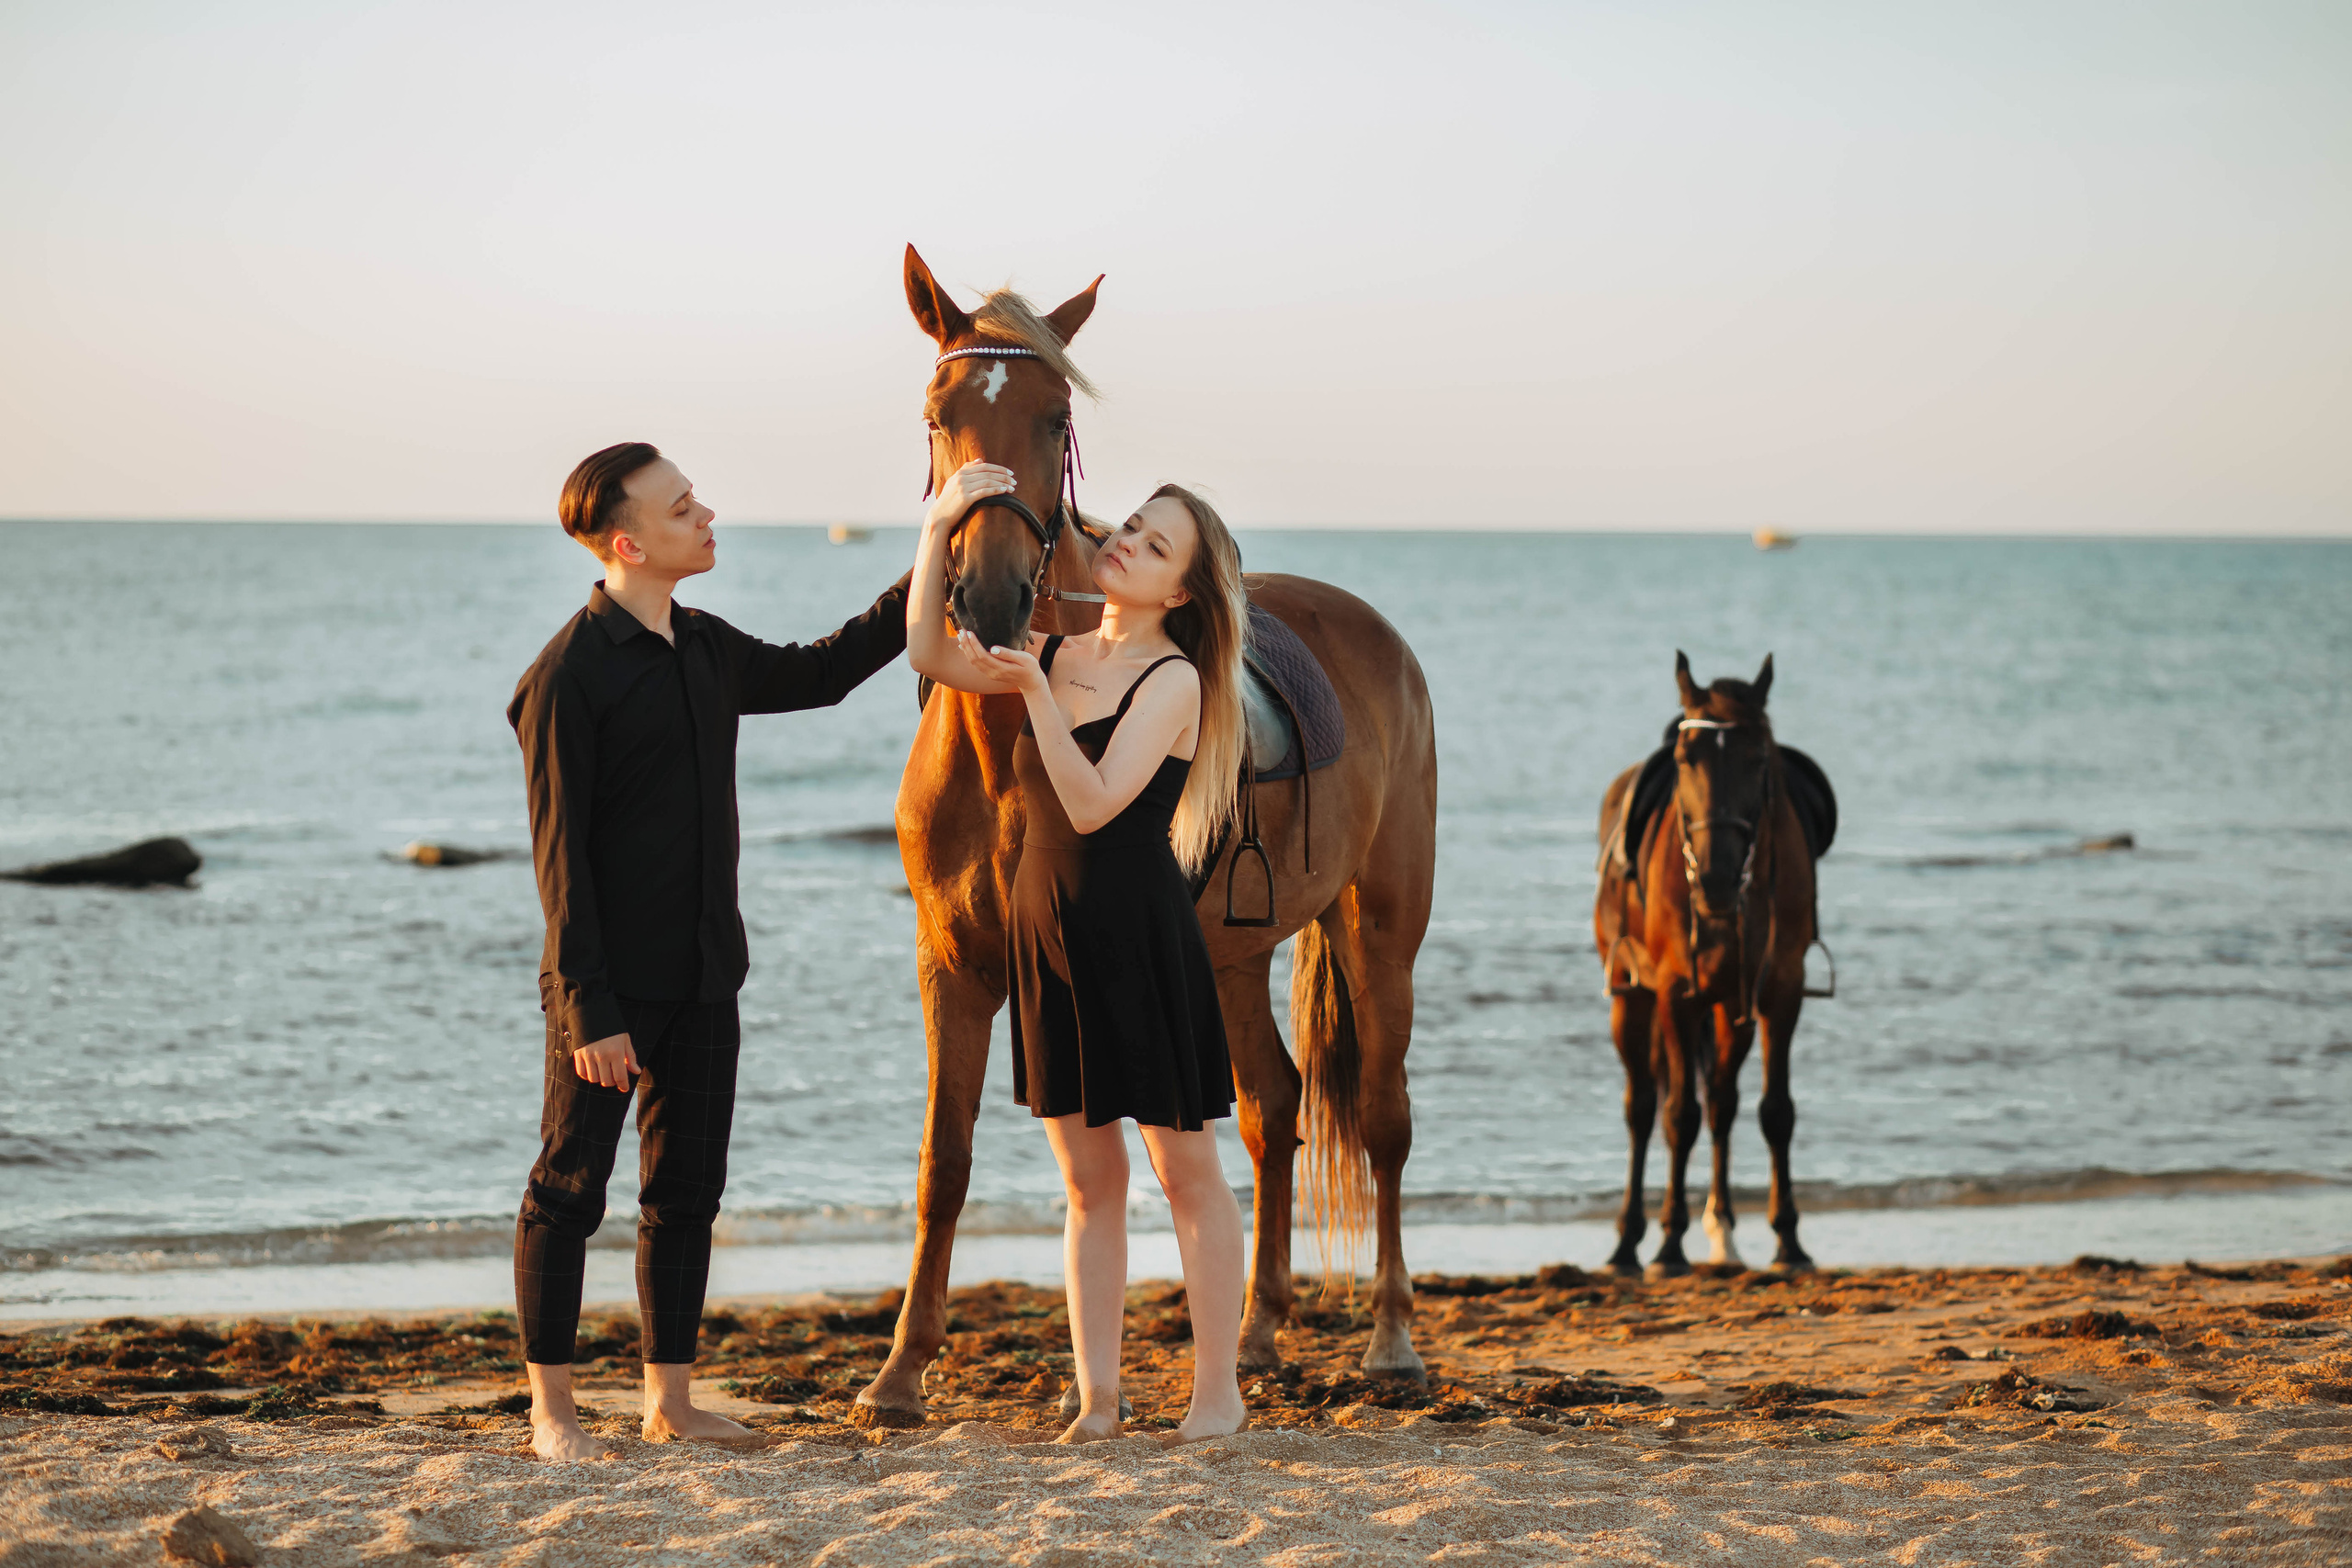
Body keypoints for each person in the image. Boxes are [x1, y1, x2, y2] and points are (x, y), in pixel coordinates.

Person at [509, 441, 909, 1462]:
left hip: (705, 975)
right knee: (568, 1189)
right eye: (684, 507)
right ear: (629, 542)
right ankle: (552, 1413)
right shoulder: (566, 676)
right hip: (606, 992)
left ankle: (668, 1401)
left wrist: (941, 552)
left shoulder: (704, 645)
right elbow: (561, 864)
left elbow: (825, 673)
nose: (707, 514)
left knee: (685, 1196)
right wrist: (587, 1008)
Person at [907, 462, 1250, 1443]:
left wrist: (1039, 697)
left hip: (1136, 928)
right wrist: (939, 528)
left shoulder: (1175, 678)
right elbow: (928, 649)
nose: (1126, 541)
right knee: (1088, 1184)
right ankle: (1099, 1399)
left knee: (1185, 1171)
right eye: (1132, 524)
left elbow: (1096, 803)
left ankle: (1216, 1393)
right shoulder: (1049, 651)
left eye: (1154, 544)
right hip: (1045, 930)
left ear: (1179, 591)